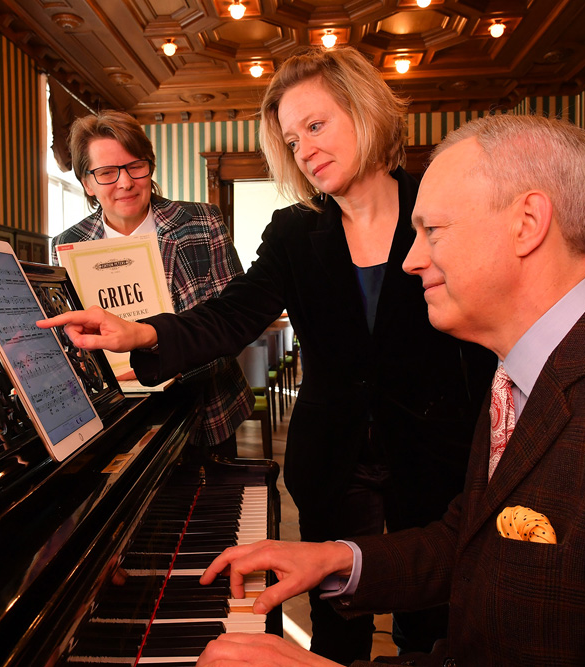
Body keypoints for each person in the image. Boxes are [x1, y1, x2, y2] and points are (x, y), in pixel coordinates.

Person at [191, 113, 585, 666]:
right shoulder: (515, 370)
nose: (411, 259)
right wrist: (339, 559)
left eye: (433, 230)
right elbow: (477, 543)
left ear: (527, 223)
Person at [39, 48, 494, 663]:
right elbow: (231, 316)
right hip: (334, 459)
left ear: (364, 112)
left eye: (316, 125)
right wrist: (143, 334)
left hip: (438, 456)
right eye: (291, 138)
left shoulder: (438, 208)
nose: (304, 149)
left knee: (433, 621)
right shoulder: (292, 231)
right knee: (336, 619)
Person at [52, 110, 253, 459]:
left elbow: (235, 323)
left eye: (135, 166)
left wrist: (163, 361)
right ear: (87, 182)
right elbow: (70, 344)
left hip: (208, 414)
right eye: (107, 172)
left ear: (150, 166)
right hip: (120, 425)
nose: (125, 182)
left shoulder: (202, 222)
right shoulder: (67, 246)